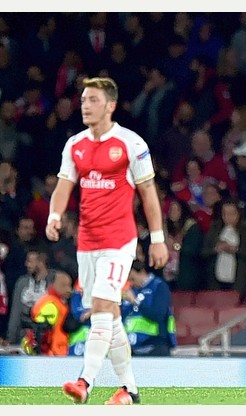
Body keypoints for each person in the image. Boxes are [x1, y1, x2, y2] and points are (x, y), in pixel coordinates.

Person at [45, 77, 169, 405]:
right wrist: (54, 217)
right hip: (87, 242)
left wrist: (157, 239)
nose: (85, 105)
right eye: (83, 99)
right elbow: (62, 186)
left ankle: (85, 381)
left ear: (110, 105)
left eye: (93, 100)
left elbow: (148, 193)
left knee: (101, 303)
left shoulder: (131, 143)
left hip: (119, 240)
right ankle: (130, 389)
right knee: (109, 314)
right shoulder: (75, 145)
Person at [121, 259, 176, 356]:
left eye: (132, 279)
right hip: (131, 348)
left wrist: (135, 302)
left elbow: (158, 314)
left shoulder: (159, 286)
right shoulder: (130, 291)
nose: (131, 283)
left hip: (155, 345)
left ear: (141, 271)